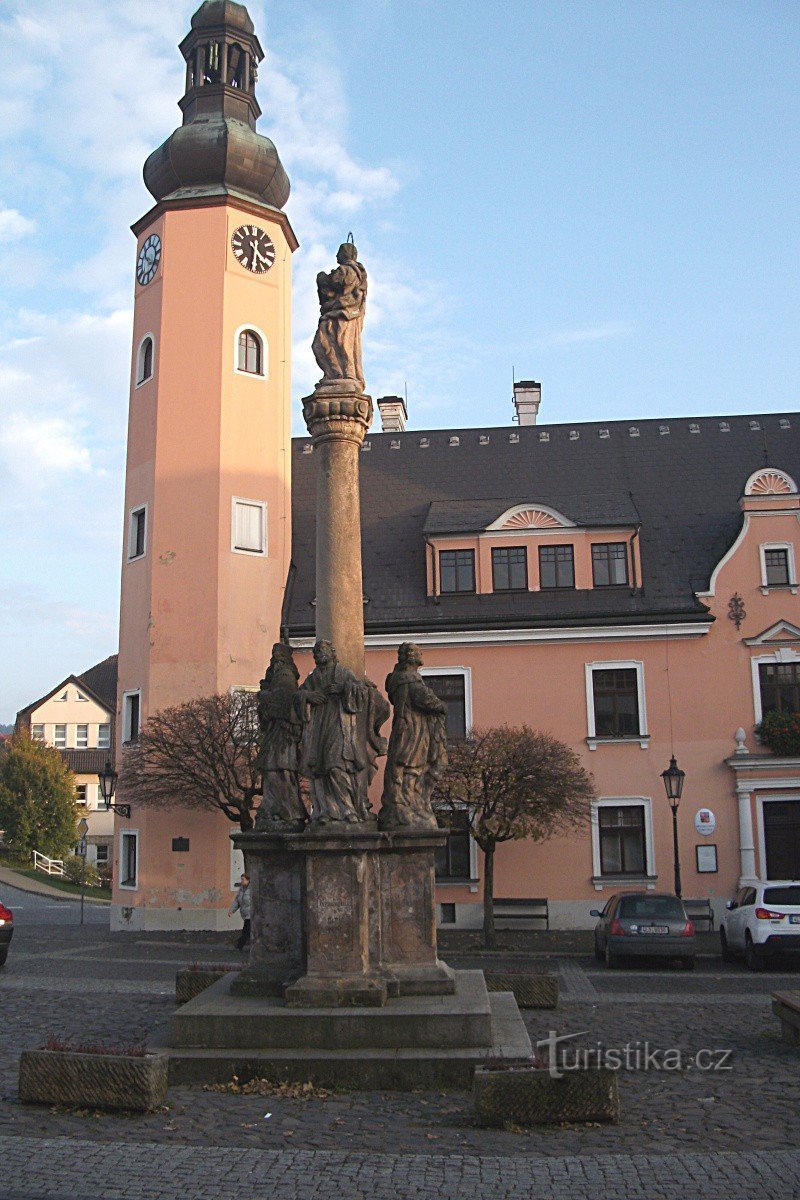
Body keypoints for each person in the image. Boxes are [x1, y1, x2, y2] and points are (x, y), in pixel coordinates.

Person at [229, 873, 251, 950]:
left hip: (251, 914)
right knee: (248, 931)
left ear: (248, 880)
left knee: (246, 931)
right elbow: (237, 901)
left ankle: (239, 944)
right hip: (245, 914)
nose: (241, 881)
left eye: (243, 879)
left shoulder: (252, 889)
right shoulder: (241, 889)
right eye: (241, 879)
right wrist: (231, 910)